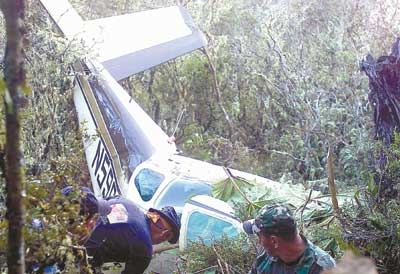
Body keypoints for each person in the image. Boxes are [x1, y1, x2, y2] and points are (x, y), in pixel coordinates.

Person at [61, 186, 180, 274]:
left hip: (66, 239)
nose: (163, 237)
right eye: (167, 236)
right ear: (164, 234)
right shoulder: (145, 251)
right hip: (76, 260)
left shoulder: (125, 201)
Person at [243, 204, 335, 274]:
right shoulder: (267, 257)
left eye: (259, 236)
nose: (259, 242)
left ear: (274, 241)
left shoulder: (322, 268)